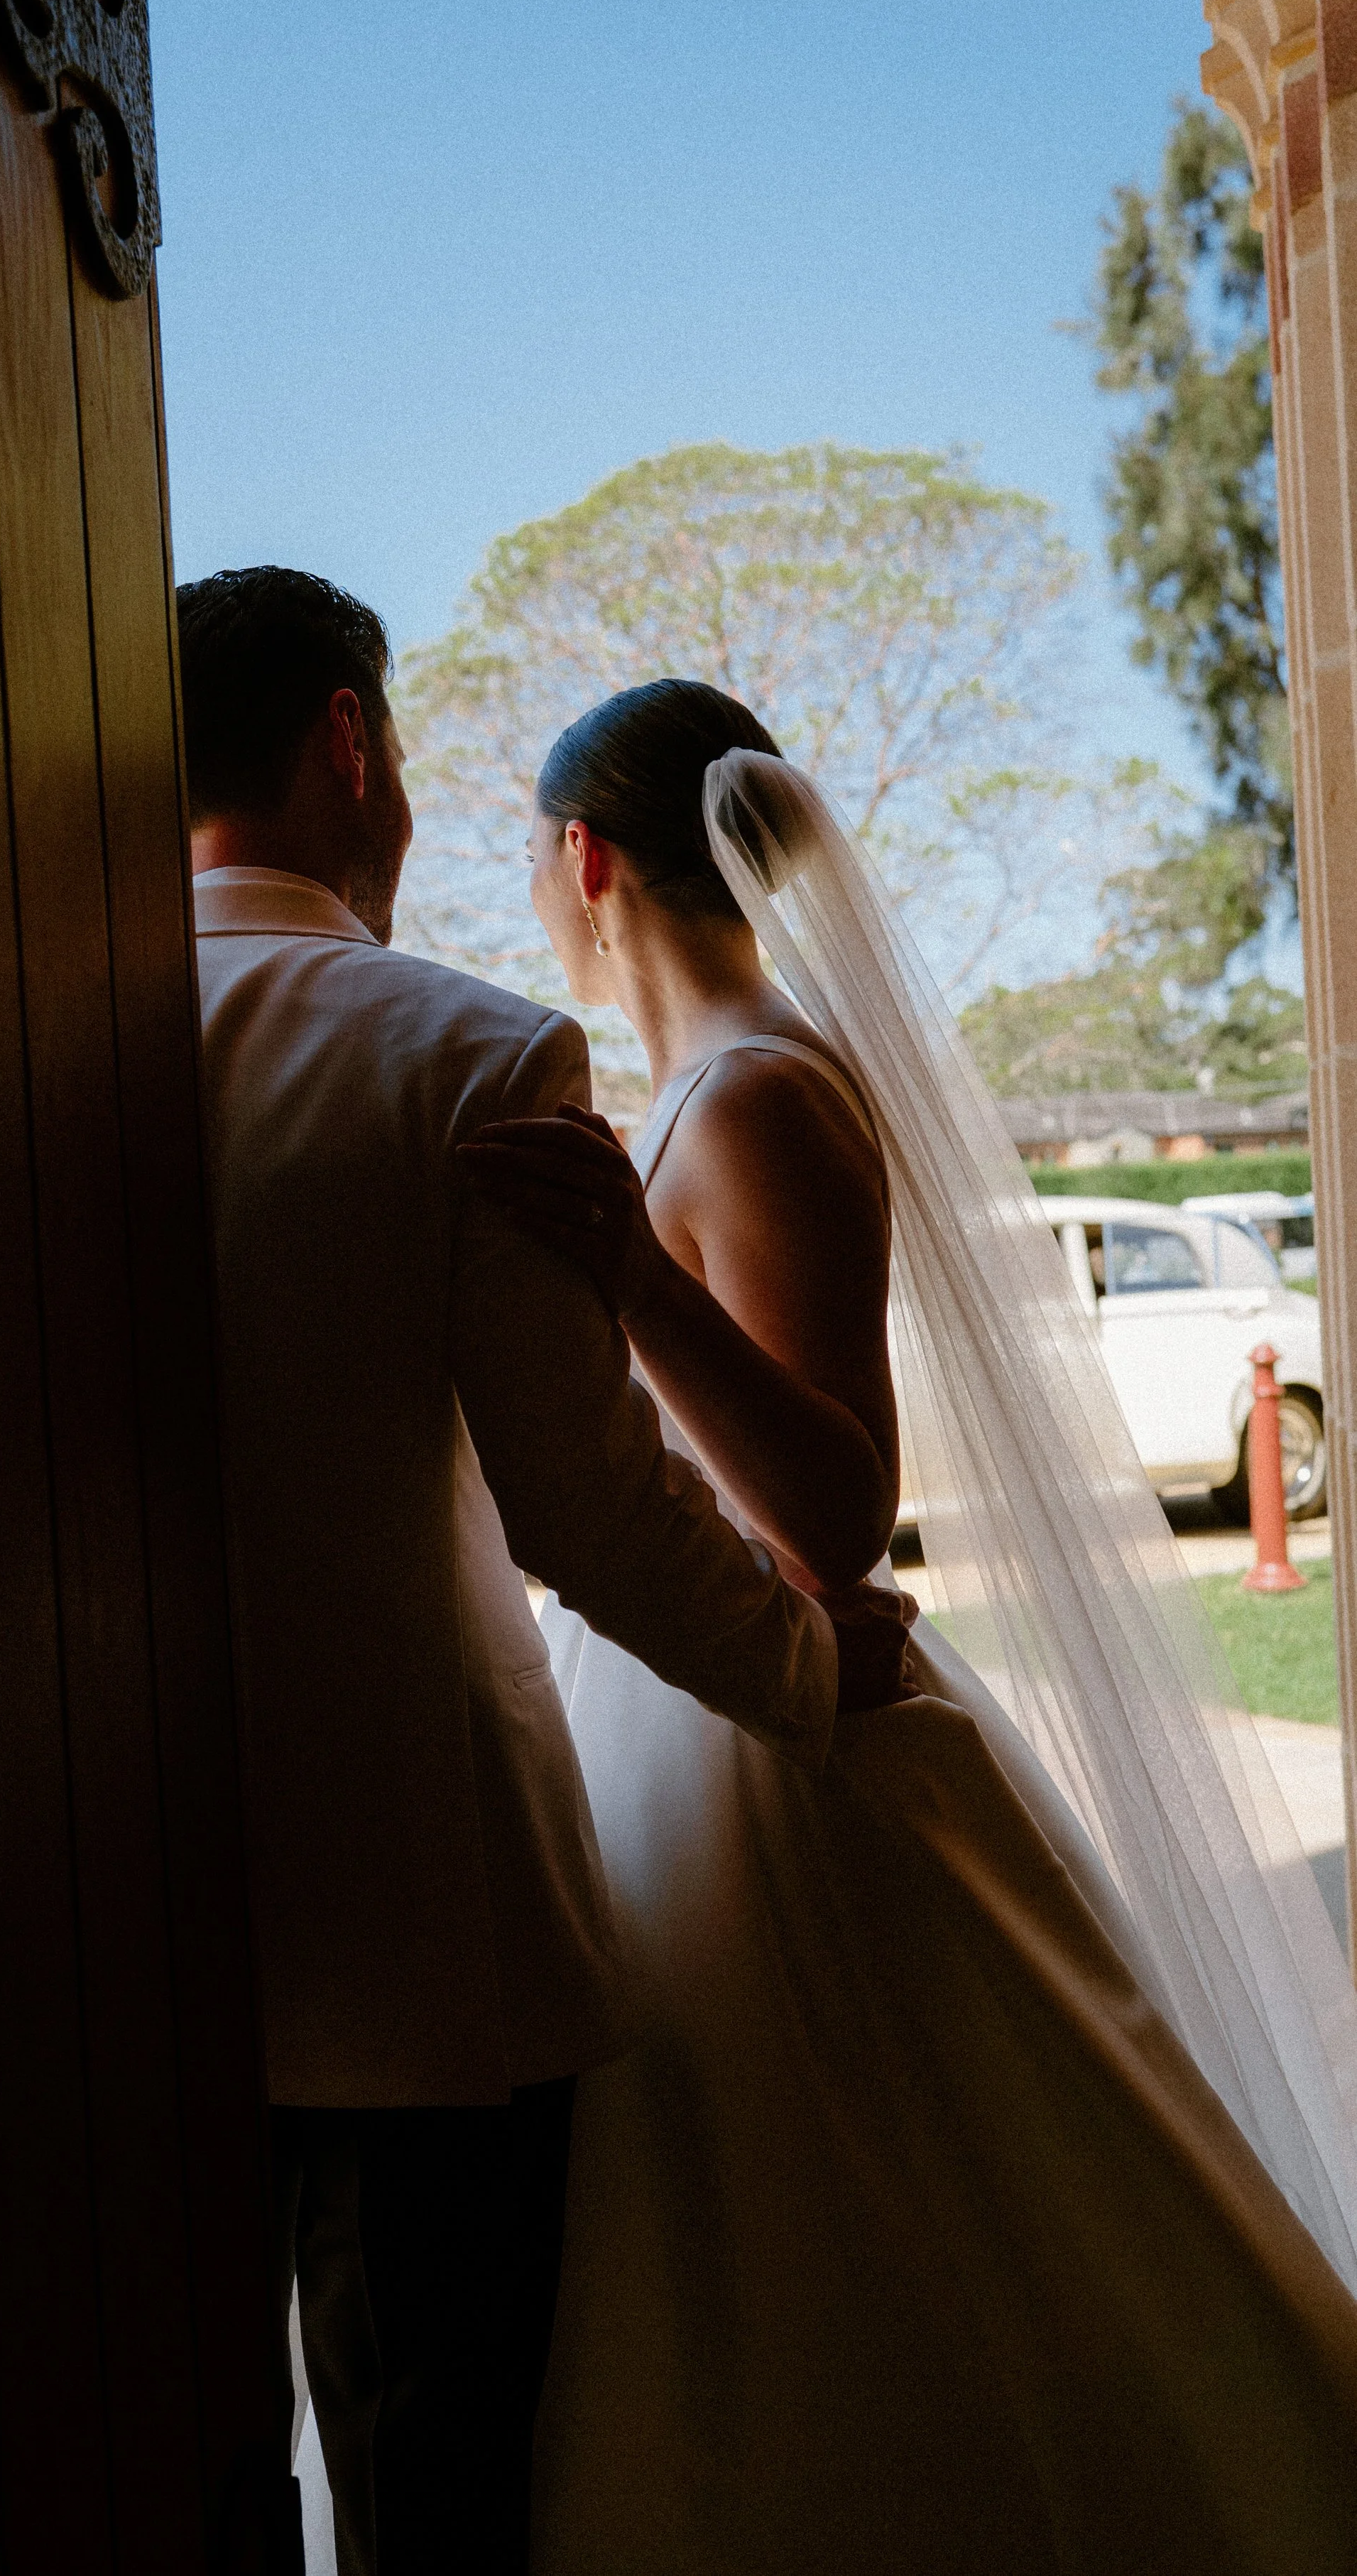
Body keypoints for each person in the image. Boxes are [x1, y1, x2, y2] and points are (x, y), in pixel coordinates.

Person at [452, 679, 1357, 2573]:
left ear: (584, 860)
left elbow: (837, 1504)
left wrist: (625, 1274)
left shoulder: (759, 1091)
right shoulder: (718, 1086)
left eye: (536, 872)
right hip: (703, 1705)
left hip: (781, 1735)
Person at [175, 577, 907, 2576]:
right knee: (435, 2479)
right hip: (424, 1919)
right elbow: (585, 1509)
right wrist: (808, 1666)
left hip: (81, 1928)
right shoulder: (465, 1050)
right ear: (348, 744)